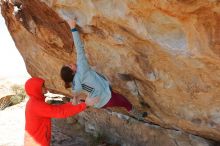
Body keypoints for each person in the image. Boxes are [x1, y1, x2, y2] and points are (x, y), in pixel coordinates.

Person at [60, 19, 148, 119]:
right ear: (72, 72)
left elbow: (77, 92)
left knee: (117, 97)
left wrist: (77, 99)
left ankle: (126, 106)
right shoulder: (81, 70)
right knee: (123, 101)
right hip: (105, 97)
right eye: (70, 66)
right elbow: (79, 48)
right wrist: (73, 28)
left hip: (99, 101)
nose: (72, 63)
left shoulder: (75, 83)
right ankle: (137, 114)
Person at [24, 77, 98, 146]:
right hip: (36, 142)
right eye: (42, 86)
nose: (45, 87)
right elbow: (60, 112)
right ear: (36, 89)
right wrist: (85, 104)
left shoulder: (34, 102)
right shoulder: (36, 105)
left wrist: (73, 104)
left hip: (37, 139)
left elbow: (58, 108)